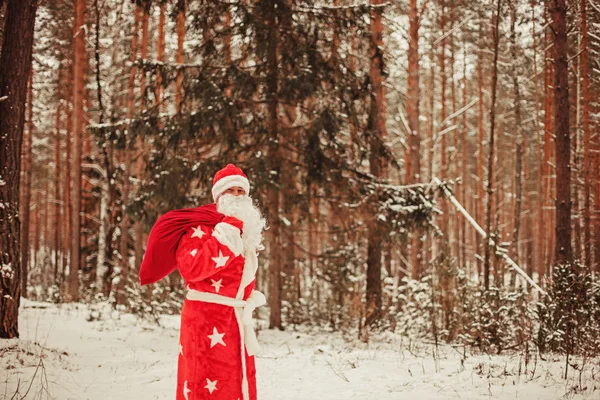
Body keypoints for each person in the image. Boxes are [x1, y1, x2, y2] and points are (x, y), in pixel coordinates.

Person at [139, 164, 267, 400]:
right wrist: (227, 233)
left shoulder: (243, 230)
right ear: (219, 196)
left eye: (241, 191)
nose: (237, 196)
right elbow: (192, 268)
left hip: (235, 321)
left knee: (236, 384)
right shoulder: (201, 227)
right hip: (205, 321)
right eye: (231, 191)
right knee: (204, 385)